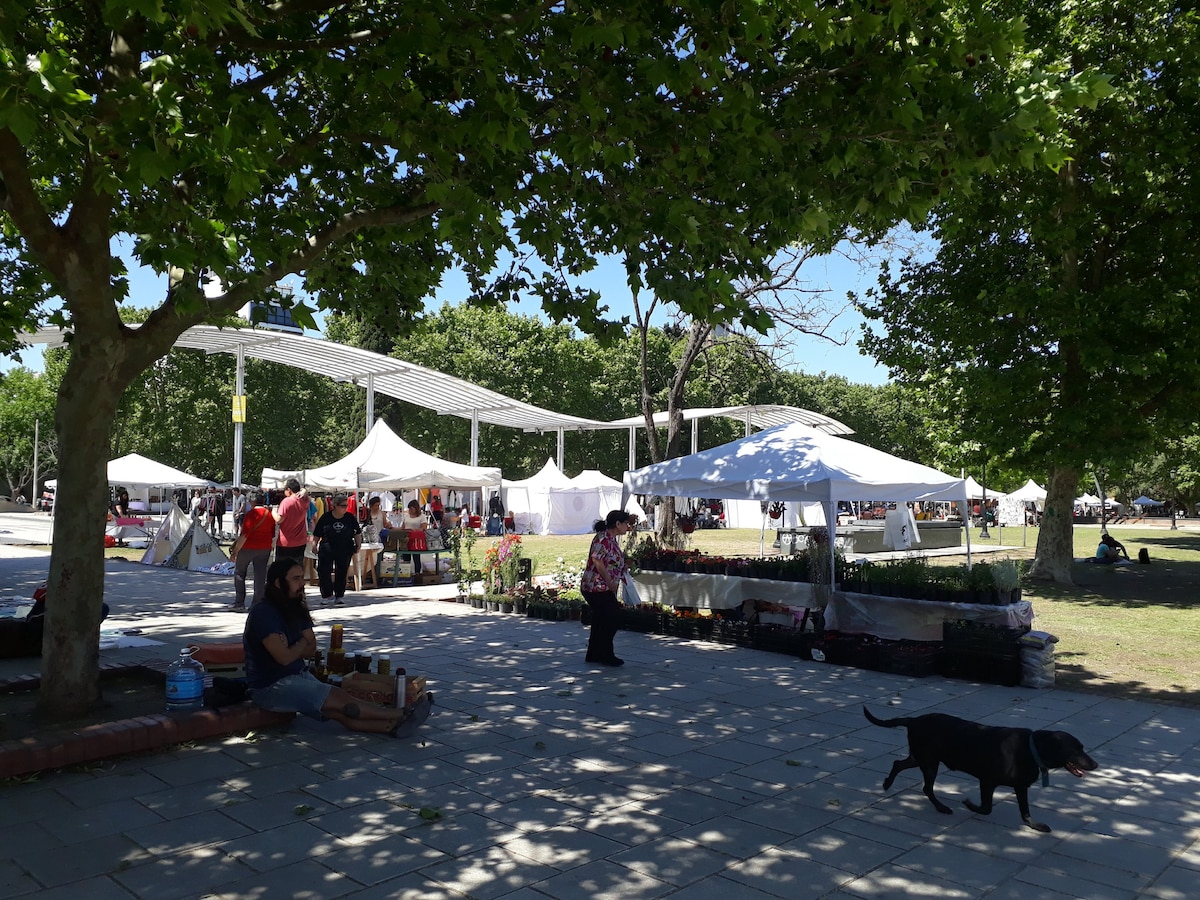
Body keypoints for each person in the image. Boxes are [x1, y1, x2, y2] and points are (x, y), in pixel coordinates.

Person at [243, 558, 432, 735]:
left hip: (296, 676)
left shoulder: (294, 606)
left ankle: (390, 727)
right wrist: (300, 644)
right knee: (339, 697)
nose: (302, 583)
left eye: (302, 577)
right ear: (278, 583)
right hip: (271, 688)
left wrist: (294, 646)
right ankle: (401, 714)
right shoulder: (264, 613)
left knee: (340, 712)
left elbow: (312, 647)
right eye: (295, 578)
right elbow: (284, 657)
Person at [580, 509, 637, 667]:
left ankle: (594, 653)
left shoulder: (611, 539)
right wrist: (610, 581)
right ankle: (606, 654)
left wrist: (622, 566)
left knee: (601, 619)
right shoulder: (603, 538)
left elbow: (608, 560)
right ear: (617, 524)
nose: (628, 526)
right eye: (626, 523)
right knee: (611, 618)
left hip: (603, 586)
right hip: (596, 586)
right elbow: (597, 560)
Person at [311, 492, 362, 606]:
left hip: (345, 548)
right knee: (324, 571)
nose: (345, 508)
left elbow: (357, 532)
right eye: (343, 505)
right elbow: (317, 533)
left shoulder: (350, 518)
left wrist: (358, 545)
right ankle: (327, 594)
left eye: (346, 506)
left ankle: (339, 594)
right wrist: (314, 544)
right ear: (335, 506)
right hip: (327, 548)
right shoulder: (325, 517)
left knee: (342, 572)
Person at [230, 490, 275, 610]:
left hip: (248, 548)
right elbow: (272, 533)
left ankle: (239, 603)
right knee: (260, 576)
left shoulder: (251, 514)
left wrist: (235, 552)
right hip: (265, 548)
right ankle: (257, 604)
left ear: (252, 501)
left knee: (239, 573)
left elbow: (244, 535)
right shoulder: (269, 514)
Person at [273, 477, 310, 560]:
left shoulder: (287, 501)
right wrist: (304, 490)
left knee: (282, 569)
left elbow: (279, 519)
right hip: (301, 541)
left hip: (286, 542)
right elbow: (306, 494)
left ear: (289, 489)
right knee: (297, 568)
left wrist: (273, 511)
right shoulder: (304, 500)